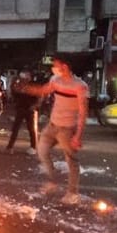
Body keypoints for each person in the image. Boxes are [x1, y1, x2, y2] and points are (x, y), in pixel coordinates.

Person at [22, 56, 89, 205]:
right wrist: (26, 88)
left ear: (65, 66)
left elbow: (84, 112)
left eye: (56, 65)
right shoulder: (55, 80)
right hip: (52, 125)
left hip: (67, 128)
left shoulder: (80, 86)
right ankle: (52, 182)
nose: (53, 67)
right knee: (42, 151)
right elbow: (44, 90)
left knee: (71, 160)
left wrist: (78, 135)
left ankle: (72, 193)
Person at [5, 70, 39, 155]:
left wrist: (34, 106)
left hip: (29, 110)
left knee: (31, 129)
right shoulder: (19, 86)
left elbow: (38, 97)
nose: (24, 79)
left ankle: (33, 147)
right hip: (21, 109)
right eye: (23, 78)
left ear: (29, 78)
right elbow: (14, 94)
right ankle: (10, 146)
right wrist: (13, 84)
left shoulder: (33, 86)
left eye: (25, 77)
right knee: (16, 128)